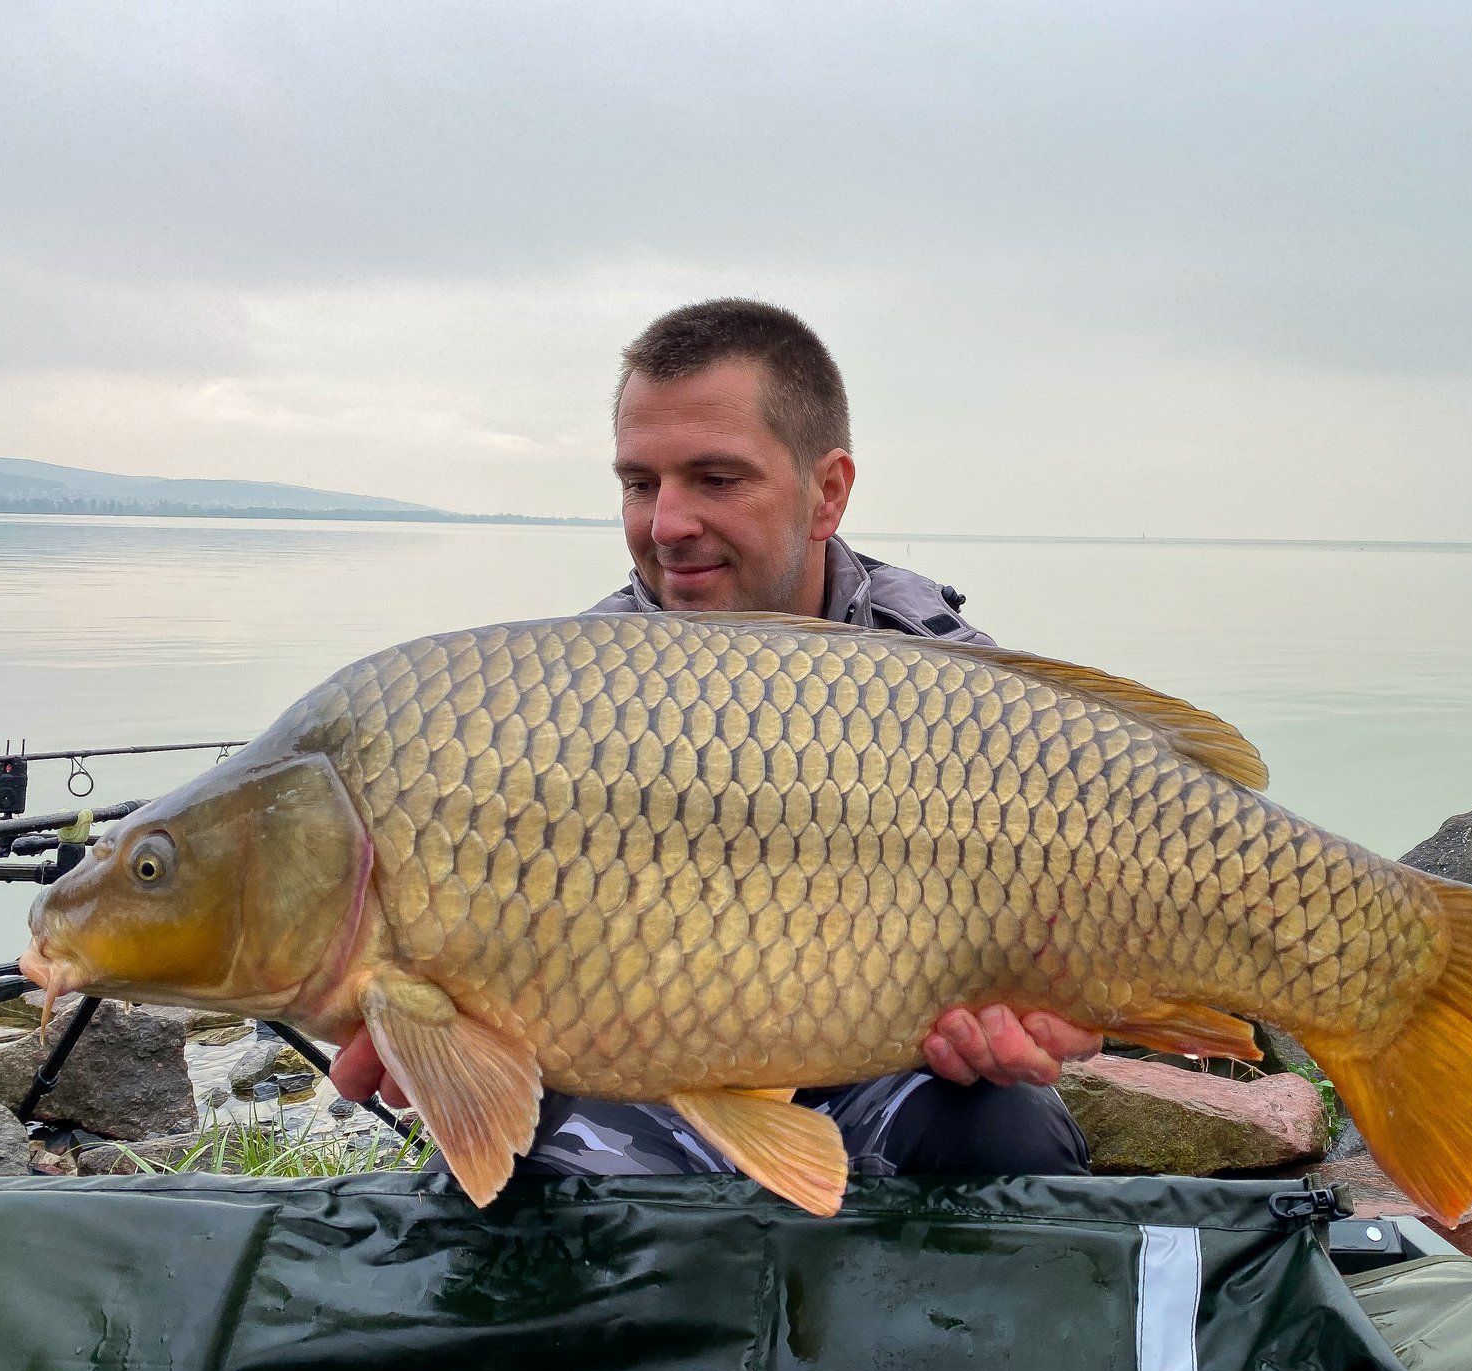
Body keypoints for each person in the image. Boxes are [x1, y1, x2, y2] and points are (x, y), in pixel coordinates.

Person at [332, 298, 1099, 1181]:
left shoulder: (951, 681)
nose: (667, 524)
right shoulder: (562, 699)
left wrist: (1065, 1009)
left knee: (1007, 1135)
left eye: (716, 479)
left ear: (829, 491)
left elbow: (1085, 930)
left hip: (884, 1067)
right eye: (639, 483)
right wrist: (435, 1033)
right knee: (499, 1199)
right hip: (640, 1081)